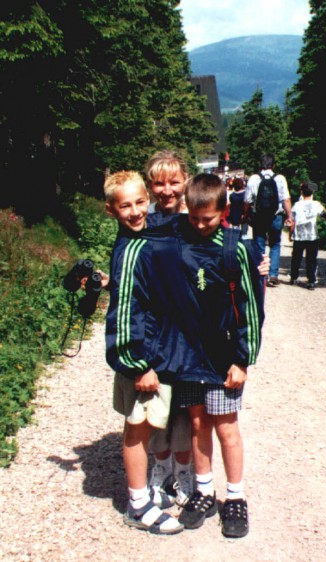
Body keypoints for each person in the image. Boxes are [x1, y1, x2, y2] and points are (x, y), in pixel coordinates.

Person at [152, 174, 264, 538]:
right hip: (186, 353)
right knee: (198, 424)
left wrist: (243, 360)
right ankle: (203, 490)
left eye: (209, 219)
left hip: (222, 356)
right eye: (195, 218)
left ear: (224, 210)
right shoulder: (178, 238)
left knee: (226, 427)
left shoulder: (235, 249)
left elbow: (251, 309)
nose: (200, 225)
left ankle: (236, 496)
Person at [102, 170, 183, 534]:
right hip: (142, 358)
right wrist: (137, 365)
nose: (135, 212)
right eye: (125, 206)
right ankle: (137, 504)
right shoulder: (130, 250)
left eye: (139, 202)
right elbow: (124, 315)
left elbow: (183, 226)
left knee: (148, 425)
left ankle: (147, 492)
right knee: (138, 427)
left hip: (156, 351)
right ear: (111, 210)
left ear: (148, 200)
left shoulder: (148, 232)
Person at [142, 150, 195, 509]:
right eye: (159, 183)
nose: (167, 190)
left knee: (186, 407)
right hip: (155, 328)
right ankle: (160, 468)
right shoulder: (142, 222)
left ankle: (184, 470)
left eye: (174, 182)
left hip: (190, 330)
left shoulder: (197, 220)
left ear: (185, 181)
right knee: (157, 403)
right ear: (150, 186)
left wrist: (256, 263)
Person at [244, 154, 292, 287]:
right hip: (276, 216)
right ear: (273, 165)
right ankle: (273, 274)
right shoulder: (280, 178)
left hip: (259, 217)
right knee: (275, 244)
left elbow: (247, 200)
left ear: (261, 165)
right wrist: (289, 216)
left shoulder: (254, 178)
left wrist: (245, 214)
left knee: (259, 245)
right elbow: (286, 199)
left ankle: (261, 275)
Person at [290, 181, 326, 290]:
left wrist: (291, 233)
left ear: (301, 192)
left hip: (299, 235)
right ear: (312, 192)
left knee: (296, 258)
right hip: (312, 235)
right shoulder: (316, 204)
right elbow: (325, 216)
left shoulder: (296, 205)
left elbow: (292, 221)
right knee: (311, 259)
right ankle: (311, 281)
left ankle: (294, 277)